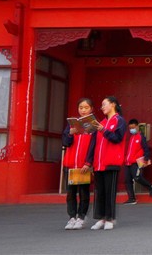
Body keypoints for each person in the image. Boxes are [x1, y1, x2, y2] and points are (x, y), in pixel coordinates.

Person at [86, 96, 126, 230]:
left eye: (104, 104)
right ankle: (101, 218)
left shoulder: (119, 121)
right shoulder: (101, 122)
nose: (102, 107)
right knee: (100, 192)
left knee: (110, 192)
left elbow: (117, 138)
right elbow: (93, 144)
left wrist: (103, 130)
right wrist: (89, 161)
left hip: (111, 162)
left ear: (113, 104)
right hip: (98, 163)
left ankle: (110, 218)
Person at [62, 98, 94, 230]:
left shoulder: (93, 126)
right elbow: (65, 142)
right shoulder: (71, 124)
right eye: (81, 107)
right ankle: (71, 217)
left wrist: (88, 163)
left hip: (83, 165)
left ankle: (81, 217)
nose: (83, 110)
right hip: (70, 164)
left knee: (84, 193)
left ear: (91, 109)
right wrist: (70, 134)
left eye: (86, 107)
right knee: (70, 193)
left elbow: (93, 146)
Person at [123, 118, 152, 204]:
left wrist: (146, 158)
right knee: (127, 180)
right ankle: (131, 198)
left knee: (137, 178)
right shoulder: (131, 137)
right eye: (130, 128)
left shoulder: (141, 137)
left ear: (137, 127)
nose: (131, 129)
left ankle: (150, 186)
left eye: (133, 127)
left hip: (136, 162)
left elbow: (146, 148)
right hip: (128, 162)